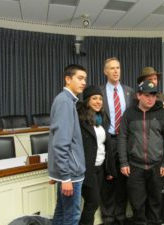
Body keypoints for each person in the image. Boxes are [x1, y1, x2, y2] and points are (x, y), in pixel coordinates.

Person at [118, 80, 164, 225]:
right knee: (137, 204)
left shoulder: (162, 113)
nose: (151, 99)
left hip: (157, 166)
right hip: (135, 166)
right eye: (147, 95)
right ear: (138, 95)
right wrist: (123, 162)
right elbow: (122, 138)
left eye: (154, 95)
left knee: (155, 202)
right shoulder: (129, 113)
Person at [48, 64, 87, 225]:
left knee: (61, 214)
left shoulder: (66, 100)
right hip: (70, 173)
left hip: (68, 171)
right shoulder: (65, 102)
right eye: (80, 78)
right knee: (71, 217)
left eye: (85, 79)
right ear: (68, 79)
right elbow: (60, 143)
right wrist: (65, 177)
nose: (83, 82)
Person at [99, 57, 135, 225]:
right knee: (107, 179)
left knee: (123, 179)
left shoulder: (129, 91)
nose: (115, 71)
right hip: (107, 141)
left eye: (118, 67)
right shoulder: (99, 92)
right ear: (105, 71)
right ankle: (107, 216)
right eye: (112, 68)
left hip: (126, 140)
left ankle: (120, 215)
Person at [77, 85, 115, 225]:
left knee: (93, 204)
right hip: (87, 168)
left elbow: (106, 146)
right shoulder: (80, 119)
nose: (98, 101)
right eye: (94, 98)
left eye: (100, 98)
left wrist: (109, 170)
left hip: (100, 168)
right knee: (92, 203)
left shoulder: (102, 118)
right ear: (87, 100)